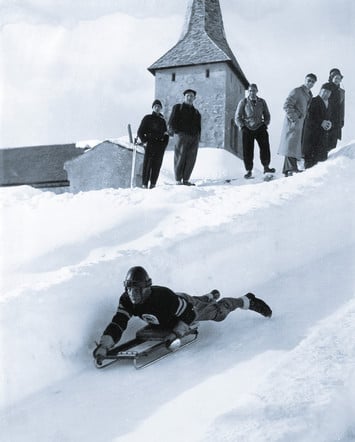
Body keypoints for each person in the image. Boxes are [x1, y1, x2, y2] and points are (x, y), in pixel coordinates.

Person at [94, 266, 272, 361]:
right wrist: (105, 344)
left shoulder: (162, 297)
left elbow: (188, 313)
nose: (133, 295)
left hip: (185, 308)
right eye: (130, 289)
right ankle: (208, 296)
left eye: (137, 290)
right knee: (197, 302)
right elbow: (119, 322)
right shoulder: (126, 299)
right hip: (173, 309)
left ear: (146, 288)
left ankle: (245, 300)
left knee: (218, 313)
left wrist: (176, 334)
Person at [278, 74, 317, 177]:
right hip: (293, 123)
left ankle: (289, 169)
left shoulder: (309, 95)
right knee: (290, 145)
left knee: (294, 146)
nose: (310, 83)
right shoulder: (297, 91)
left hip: (300, 124)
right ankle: (291, 169)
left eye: (313, 82)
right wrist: (295, 118)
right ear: (305, 80)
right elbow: (287, 105)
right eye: (309, 80)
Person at [235, 83, 275, 179]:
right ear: (248, 92)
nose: (252, 92)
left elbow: (267, 115)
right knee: (248, 150)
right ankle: (248, 171)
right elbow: (237, 117)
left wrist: (265, 124)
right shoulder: (243, 102)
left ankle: (266, 167)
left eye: (254, 90)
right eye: (250, 91)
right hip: (247, 128)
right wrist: (242, 126)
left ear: (257, 91)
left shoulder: (262, 102)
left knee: (265, 147)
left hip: (260, 127)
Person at [168, 89, 201, 186]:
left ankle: (186, 179)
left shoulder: (196, 112)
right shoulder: (178, 107)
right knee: (180, 156)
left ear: (194, 98)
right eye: (188, 96)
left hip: (194, 137)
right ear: (184, 97)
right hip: (181, 135)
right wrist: (175, 131)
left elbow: (199, 126)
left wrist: (198, 137)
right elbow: (171, 120)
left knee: (191, 158)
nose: (190, 98)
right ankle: (178, 179)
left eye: (191, 96)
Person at [137, 99, 169, 189]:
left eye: (159, 107)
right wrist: (145, 141)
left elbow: (166, 134)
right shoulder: (147, 118)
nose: (157, 108)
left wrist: (164, 145)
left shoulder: (162, 121)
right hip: (150, 144)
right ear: (153, 108)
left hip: (159, 146)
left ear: (161, 108)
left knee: (157, 165)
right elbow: (140, 132)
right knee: (148, 164)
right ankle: (144, 184)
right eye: (155, 106)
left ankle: (153, 184)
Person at [302, 83, 333, 169]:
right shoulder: (314, 101)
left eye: (328, 92)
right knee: (310, 165)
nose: (326, 93)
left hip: (322, 139)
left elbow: (328, 118)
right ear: (320, 91)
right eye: (324, 91)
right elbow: (309, 117)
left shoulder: (329, 104)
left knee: (320, 165)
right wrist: (321, 122)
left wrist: (329, 124)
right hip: (312, 137)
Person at [327, 68, 345, 152]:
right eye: (335, 78)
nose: (337, 80)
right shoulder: (326, 87)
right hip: (327, 118)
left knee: (333, 144)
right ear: (331, 78)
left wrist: (342, 120)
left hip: (337, 120)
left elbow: (342, 107)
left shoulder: (341, 91)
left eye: (339, 78)